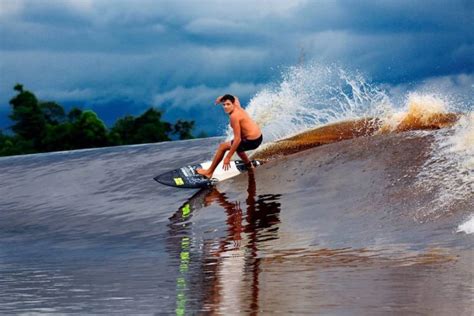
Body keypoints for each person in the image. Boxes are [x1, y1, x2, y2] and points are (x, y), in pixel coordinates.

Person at [196, 94, 262, 179]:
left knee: (223, 147)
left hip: (252, 142)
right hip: (258, 137)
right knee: (239, 148)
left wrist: (228, 157)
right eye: (224, 104)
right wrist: (223, 97)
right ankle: (248, 164)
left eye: (228, 104)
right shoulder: (237, 106)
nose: (225, 107)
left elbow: (238, 139)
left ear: (233, 104)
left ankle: (209, 172)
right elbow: (235, 97)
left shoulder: (234, 116)